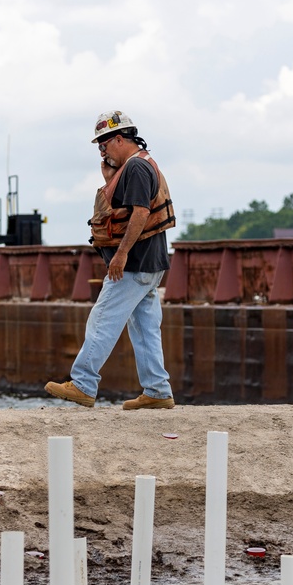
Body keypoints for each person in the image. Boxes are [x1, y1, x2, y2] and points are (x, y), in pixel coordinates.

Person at [45, 111, 177, 410]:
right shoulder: (136, 166)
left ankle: (82, 384)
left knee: (102, 320)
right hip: (150, 264)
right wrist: (110, 178)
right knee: (145, 328)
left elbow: (141, 213)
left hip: (133, 264)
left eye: (104, 144)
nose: (101, 151)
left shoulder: (136, 168)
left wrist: (120, 255)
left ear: (120, 139)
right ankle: (157, 389)